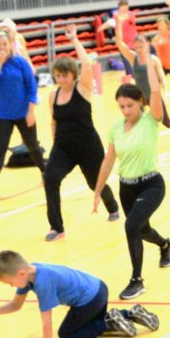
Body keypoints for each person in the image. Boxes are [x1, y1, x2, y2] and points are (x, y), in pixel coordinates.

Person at [90, 52, 170, 302]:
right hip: (125, 188)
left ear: (141, 103)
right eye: (122, 107)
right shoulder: (116, 129)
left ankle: (136, 280)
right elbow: (108, 161)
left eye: (131, 105)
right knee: (141, 229)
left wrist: (149, 61)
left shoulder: (151, 120)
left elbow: (156, 91)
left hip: (151, 185)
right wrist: (97, 190)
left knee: (130, 226)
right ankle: (165, 245)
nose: (126, 110)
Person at [0, 251, 156, 338]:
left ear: (20, 273)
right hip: (98, 289)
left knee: (67, 334)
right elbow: (15, 305)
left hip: (89, 300)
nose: (11, 286)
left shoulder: (43, 282)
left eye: (10, 282)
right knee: (87, 322)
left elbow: (46, 320)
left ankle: (107, 323)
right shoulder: (30, 274)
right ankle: (129, 314)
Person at [45, 38, 120, 241]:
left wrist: (75, 39)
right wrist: (55, 146)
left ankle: (112, 206)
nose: (60, 79)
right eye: (57, 76)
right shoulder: (53, 96)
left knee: (95, 183)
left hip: (88, 146)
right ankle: (56, 227)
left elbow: (87, 64)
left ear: (73, 75)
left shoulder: (83, 88)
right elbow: (54, 122)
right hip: (63, 147)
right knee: (50, 178)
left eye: (64, 75)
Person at [0, 24, 43, 200]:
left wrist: (31, 111)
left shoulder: (21, 62)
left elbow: (32, 88)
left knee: (33, 146)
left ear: (10, 46)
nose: (1, 48)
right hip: (3, 115)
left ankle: (46, 174)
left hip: (24, 113)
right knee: (0, 151)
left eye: (4, 44)